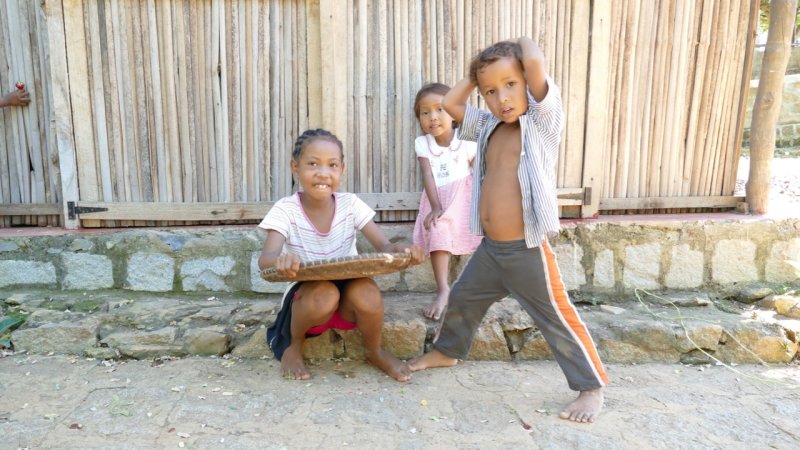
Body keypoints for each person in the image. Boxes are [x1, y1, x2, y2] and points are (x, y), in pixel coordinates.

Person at [408, 37, 609, 423]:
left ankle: (591, 386)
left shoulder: (543, 123)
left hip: (526, 250)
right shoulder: (487, 126)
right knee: (463, 299)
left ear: (527, 82)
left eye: (511, 84)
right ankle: (447, 352)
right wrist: (474, 75)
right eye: (491, 91)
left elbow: (534, 58)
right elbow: (452, 105)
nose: (502, 97)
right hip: (490, 251)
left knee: (556, 316)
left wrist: (518, 49)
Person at [258, 128, 426, 382]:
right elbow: (265, 260)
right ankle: (293, 346)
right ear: (295, 167)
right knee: (326, 292)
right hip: (310, 301)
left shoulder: (350, 204)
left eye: (332, 165)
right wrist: (280, 261)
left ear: (342, 169)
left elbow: (384, 246)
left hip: (348, 300)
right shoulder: (286, 209)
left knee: (367, 292)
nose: (323, 173)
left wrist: (403, 250)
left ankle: (375, 351)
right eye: (312, 164)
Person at [411, 83, 482, 321]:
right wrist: (435, 206)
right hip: (437, 200)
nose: (433, 117)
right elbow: (428, 175)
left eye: (440, 109)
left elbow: (480, 176)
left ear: (454, 114)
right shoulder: (423, 144)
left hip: (463, 201)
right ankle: (443, 289)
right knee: (437, 228)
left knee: (484, 236)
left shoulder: (468, 145)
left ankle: (488, 287)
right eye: (425, 112)